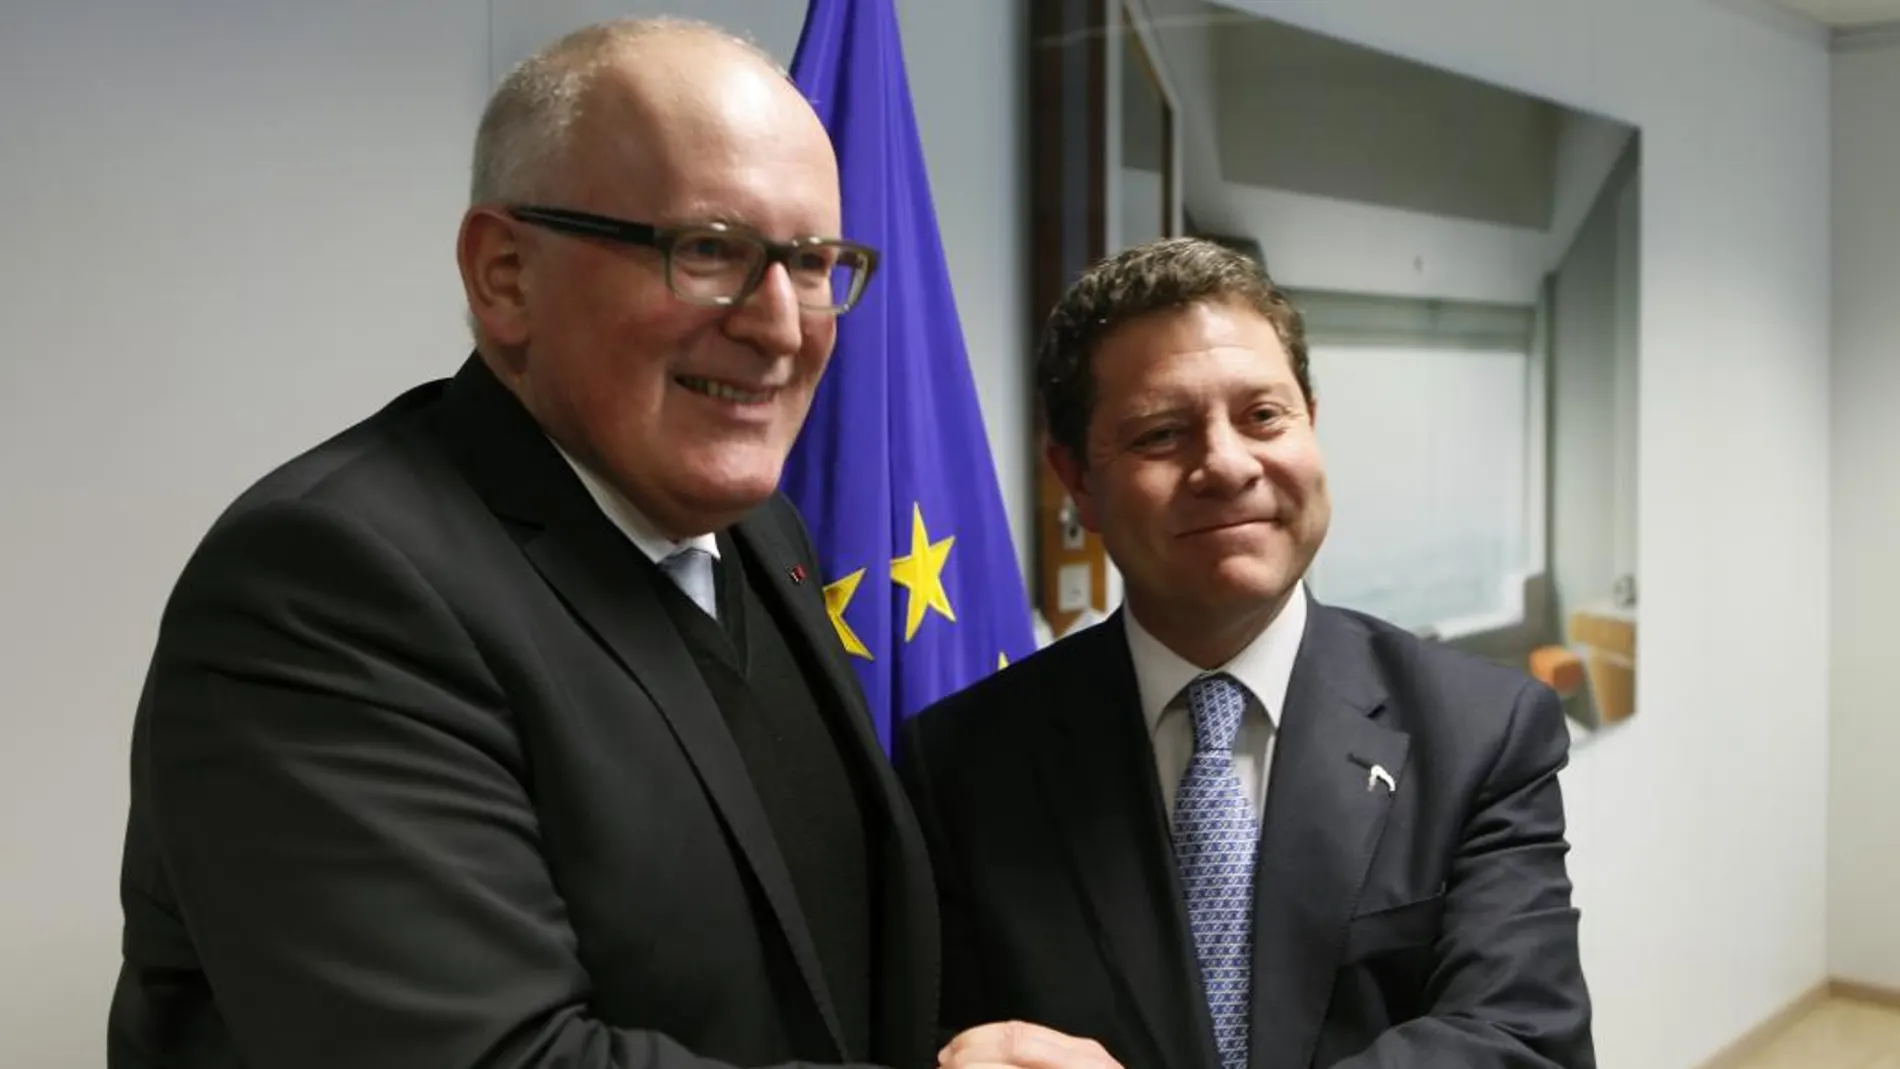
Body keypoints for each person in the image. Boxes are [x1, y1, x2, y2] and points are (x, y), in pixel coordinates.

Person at [107, 18, 943, 1069]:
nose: (780, 324)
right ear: (505, 275)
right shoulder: (329, 586)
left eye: (813, 261)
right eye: (711, 251)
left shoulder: (760, 532)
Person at [902, 238, 1596, 1069]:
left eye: (1263, 415)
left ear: (1311, 423)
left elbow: (1523, 1045)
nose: (1227, 464)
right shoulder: (962, 765)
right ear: (1077, 480)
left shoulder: (1481, 731)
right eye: (1162, 433)